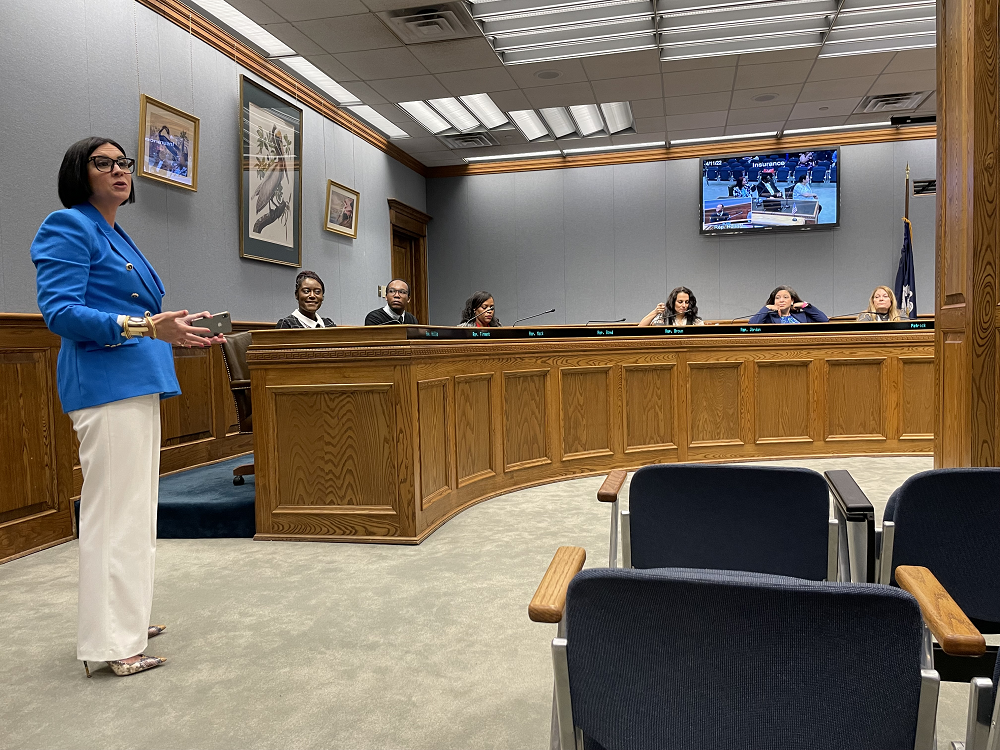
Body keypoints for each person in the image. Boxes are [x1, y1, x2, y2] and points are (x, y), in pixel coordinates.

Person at [31, 137, 224, 677]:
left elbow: (142, 312)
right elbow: (61, 312)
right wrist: (143, 326)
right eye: (103, 163)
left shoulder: (116, 232)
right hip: (103, 384)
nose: (118, 171)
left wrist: (176, 332)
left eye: (124, 163)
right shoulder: (68, 225)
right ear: (80, 172)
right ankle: (112, 643)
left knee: (135, 514)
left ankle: (128, 619)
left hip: (136, 379)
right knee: (112, 516)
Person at [749, 285, 829, 324]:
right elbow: (752, 325)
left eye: (785, 297)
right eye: (777, 298)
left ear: (792, 300)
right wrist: (767, 308)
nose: (781, 300)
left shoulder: (802, 316)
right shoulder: (768, 318)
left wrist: (805, 305)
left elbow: (824, 320)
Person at [640, 286, 704, 326]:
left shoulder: (696, 321)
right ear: (673, 302)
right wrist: (655, 312)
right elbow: (640, 327)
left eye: (687, 302)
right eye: (680, 302)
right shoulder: (663, 318)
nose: (684, 305)